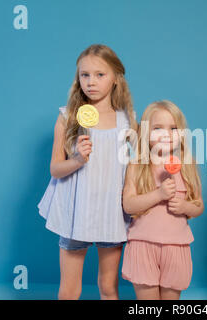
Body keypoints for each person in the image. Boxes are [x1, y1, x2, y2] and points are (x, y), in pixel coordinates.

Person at [37, 44, 137, 300]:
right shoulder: (68, 116)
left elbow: (135, 169)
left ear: (115, 78)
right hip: (75, 213)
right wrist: (78, 160)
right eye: (85, 75)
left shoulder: (128, 120)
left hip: (111, 214)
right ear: (78, 77)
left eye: (100, 75)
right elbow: (55, 169)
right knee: (70, 290)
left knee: (108, 287)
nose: (91, 82)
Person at [121, 100, 204, 300]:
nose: (166, 135)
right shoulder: (137, 165)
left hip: (176, 246)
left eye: (173, 128)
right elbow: (128, 205)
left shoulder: (187, 165)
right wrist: (158, 195)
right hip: (143, 244)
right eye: (158, 128)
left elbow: (199, 205)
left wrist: (186, 206)